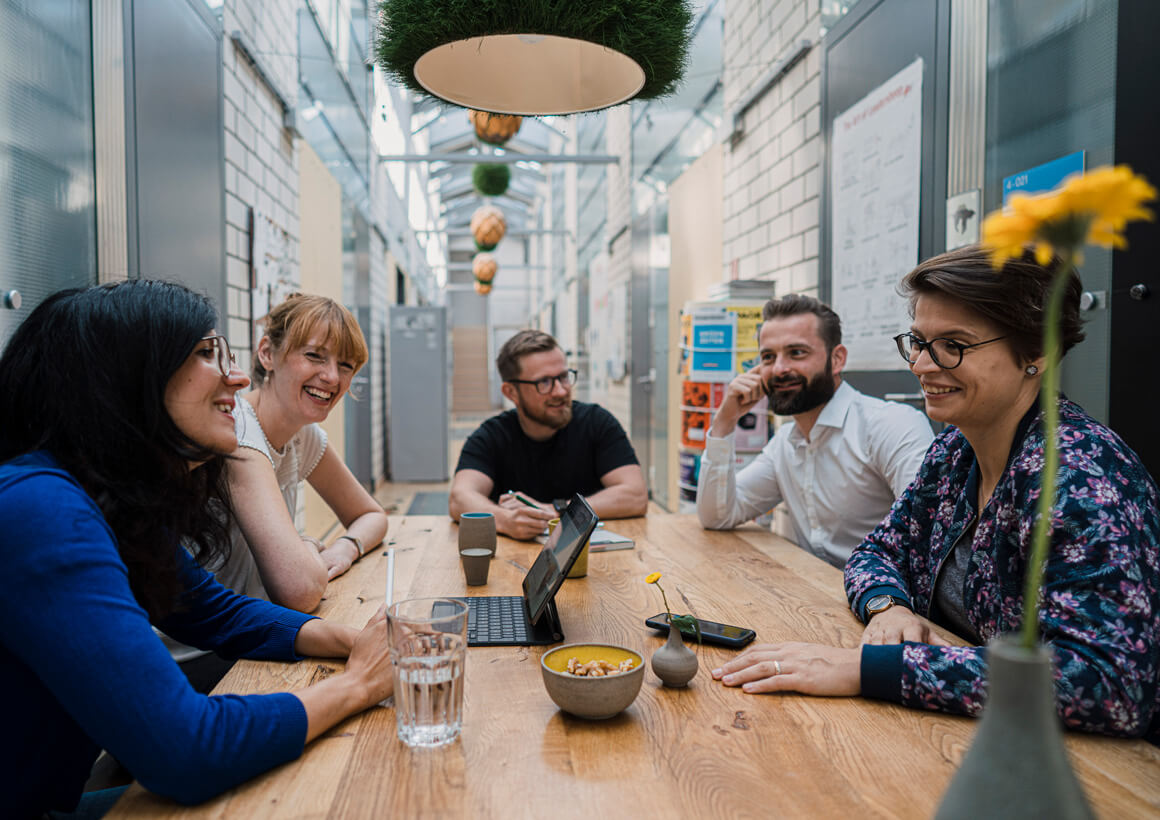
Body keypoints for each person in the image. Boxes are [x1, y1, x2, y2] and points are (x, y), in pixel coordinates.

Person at [711, 247, 1160, 743]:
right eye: (918, 342)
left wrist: (872, 669)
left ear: (1037, 352)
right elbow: (879, 551)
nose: (922, 365)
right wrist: (889, 606)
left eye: (954, 345)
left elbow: (1106, 684)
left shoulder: (1081, 474)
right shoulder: (954, 452)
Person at [0, 281, 394, 817]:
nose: (235, 377)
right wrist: (358, 684)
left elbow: (211, 609)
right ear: (130, 377)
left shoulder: (109, 498)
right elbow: (184, 748)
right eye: (208, 355)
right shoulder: (44, 510)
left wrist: (354, 641)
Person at [696, 294, 933, 567]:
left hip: (886, 602)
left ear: (837, 359)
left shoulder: (891, 425)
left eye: (797, 353)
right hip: (814, 599)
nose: (780, 369)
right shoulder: (785, 443)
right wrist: (724, 422)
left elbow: (923, 540)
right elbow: (717, 516)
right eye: (768, 357)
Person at [449, 329, 647, 540]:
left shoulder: (597, 422)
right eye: (543, 382)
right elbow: (459, 498)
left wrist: (557, 510)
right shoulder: (491, 436)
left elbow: (635, 495)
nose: (561, 391)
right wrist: (505, 520)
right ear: (510, 392)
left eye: (563, 376)